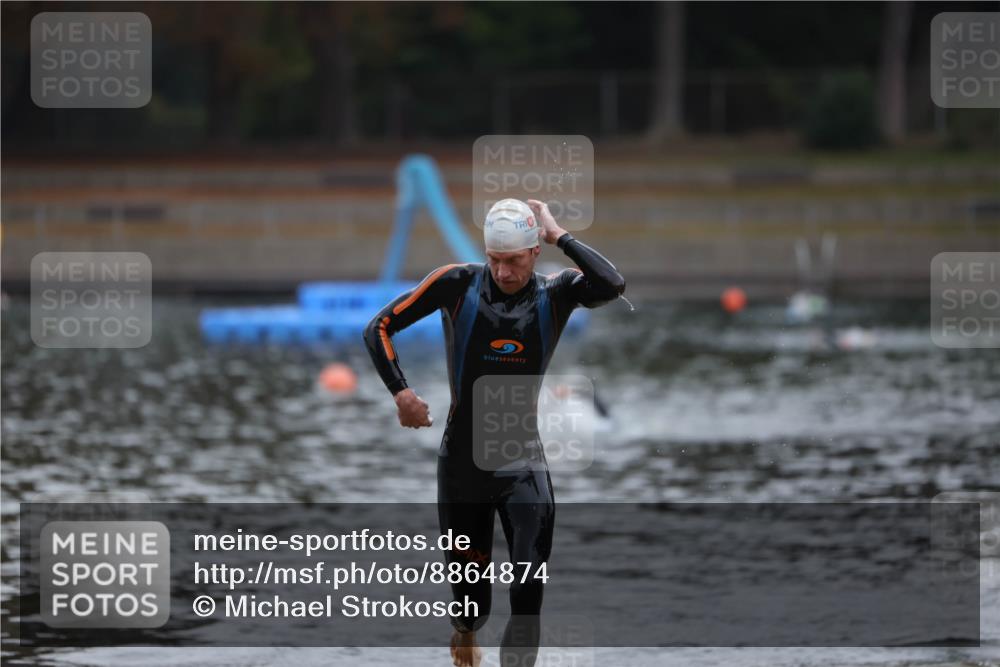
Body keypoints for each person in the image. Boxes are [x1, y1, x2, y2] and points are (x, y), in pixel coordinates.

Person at [364, 198, 625, 667]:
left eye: (514, 260)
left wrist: (560, 236)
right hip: (462, 468)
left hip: (523, 465)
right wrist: (401, 393)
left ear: (535, 252)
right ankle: (464, 629)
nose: (503, 272)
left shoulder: (557, 292)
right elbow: (379, 326)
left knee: (527, 591)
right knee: (473, 607)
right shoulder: (457, 283)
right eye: (494, 259)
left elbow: (612, 284)